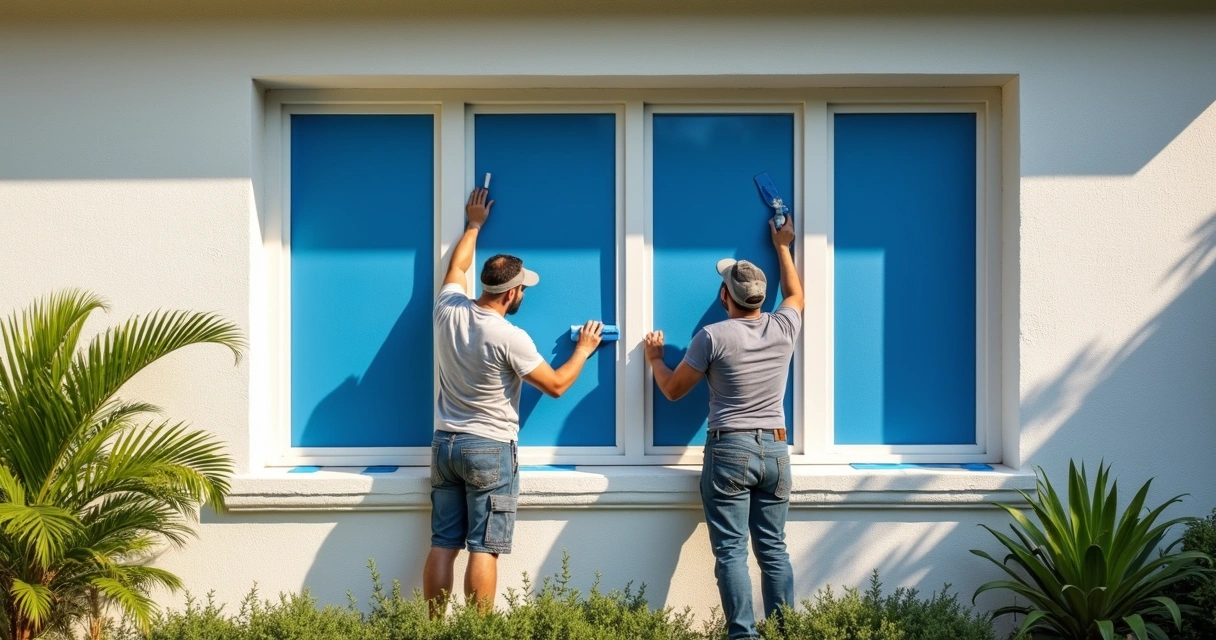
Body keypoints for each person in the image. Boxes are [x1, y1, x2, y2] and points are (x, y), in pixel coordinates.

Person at [423, 187, 604, 615]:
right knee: (484, 548)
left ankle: (430, 628)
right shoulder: (509, 336)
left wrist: (473, 224)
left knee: (443, 544)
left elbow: (458, 265)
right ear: (510, 294)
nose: (524, 295)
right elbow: (556, 385)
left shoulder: (447, 308)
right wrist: (583, 348)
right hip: (488, 449)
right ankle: (480, 631)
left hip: (445, 444)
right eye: (522, 289)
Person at [643, 217, 804, 640]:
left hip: (730, 450)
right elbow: (796, 294)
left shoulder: (711, 336)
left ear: (723, 296)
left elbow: (675, 391)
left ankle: (743, 636)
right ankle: (785, 633)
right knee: (773, 548)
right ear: (761, 298)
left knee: (731, 552)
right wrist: (783, 246)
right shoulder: (784, 326)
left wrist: (656, 359)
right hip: (775, 450)